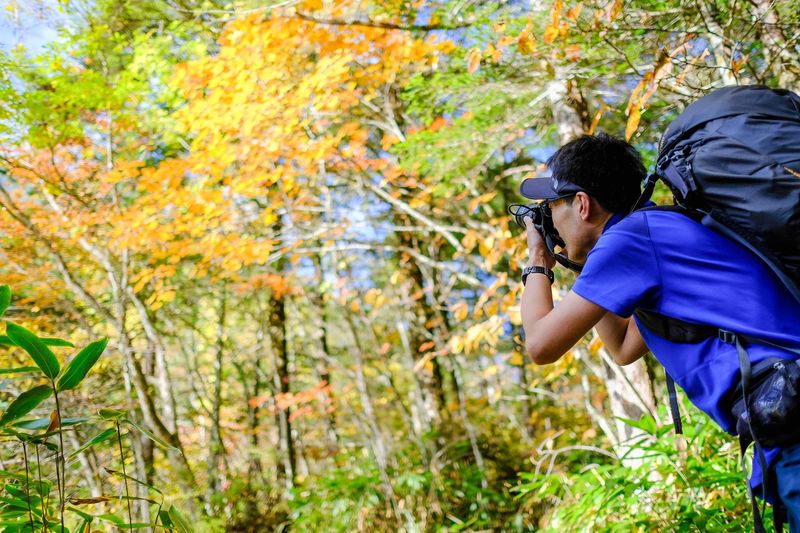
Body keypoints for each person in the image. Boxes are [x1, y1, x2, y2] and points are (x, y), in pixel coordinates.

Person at [518, 132, 800, 530]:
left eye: (552, 206)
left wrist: (537, 259)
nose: (549, 220)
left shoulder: (630, 241)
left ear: (581, 204)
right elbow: (623, 347)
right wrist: (586, 269)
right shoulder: (652, 230)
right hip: (785, 408)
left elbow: (540, 346)